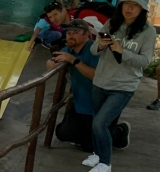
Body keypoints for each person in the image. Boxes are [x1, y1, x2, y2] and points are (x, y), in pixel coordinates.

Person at [84, 0, 157, 172]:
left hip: (124, 85)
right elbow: (93, 51)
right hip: (101, 80)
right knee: (96, 120)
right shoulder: (111, 23)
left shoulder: (147, 32)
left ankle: (105, 163)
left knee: (100, 123)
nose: (130, 9)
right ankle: (96, 154)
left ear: (143, 10)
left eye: (135, 6)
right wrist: (100, 45)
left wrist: (123, 51)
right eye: (127, 4)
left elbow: (145, 61)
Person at [48, 20, 127, 152]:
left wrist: (73, 61)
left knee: (90, 146)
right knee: (63, 134)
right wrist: (53, 63)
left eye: (76, 32)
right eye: (68, 32)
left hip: (103, 103)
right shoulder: (68, 50)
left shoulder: (94, 50)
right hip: (81, 105)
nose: (70, 35)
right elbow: (51, 63)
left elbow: (96, 76)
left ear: (87, 35)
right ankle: (87, 134)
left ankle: (120, 131)